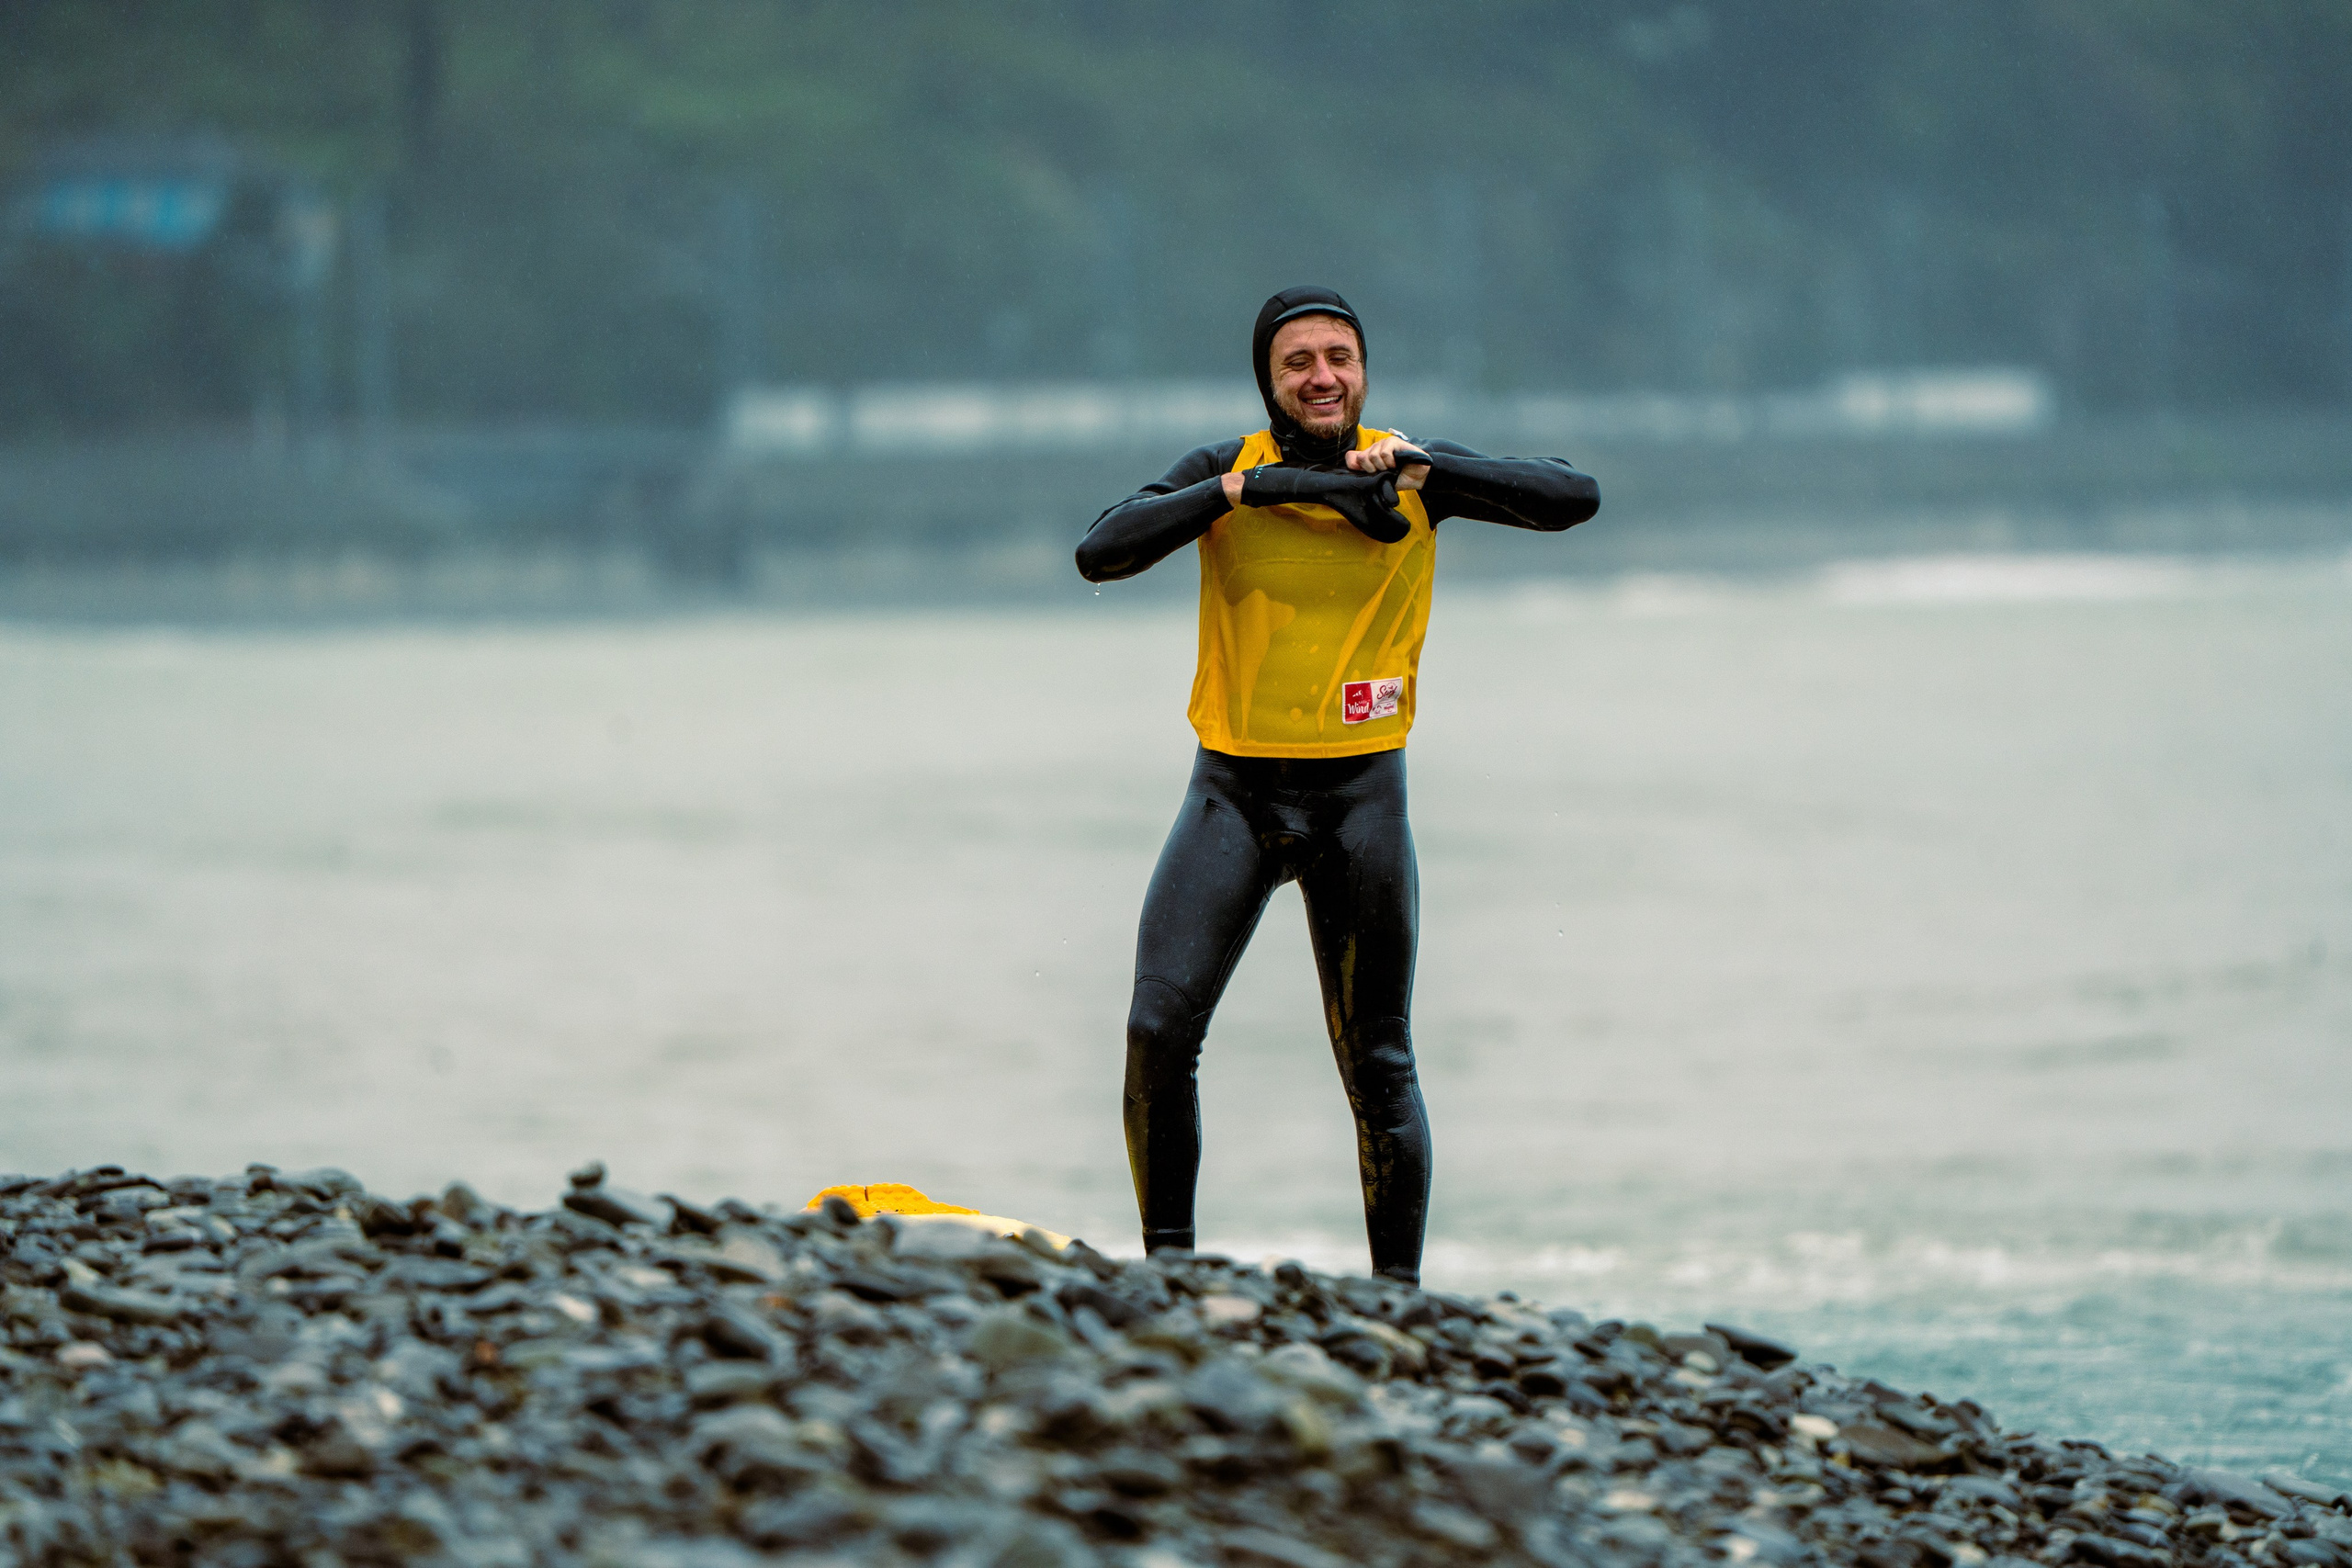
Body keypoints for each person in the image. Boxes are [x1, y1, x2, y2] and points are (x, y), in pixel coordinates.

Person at [1075, 285, 1600, 1284]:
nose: (1323, 377)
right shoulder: (1224, 469)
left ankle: (1396, 1298)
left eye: (1340, 358)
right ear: (1269, 382)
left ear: (1363, 370)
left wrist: (1426, 469)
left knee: (1378, 1063)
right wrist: (1243, 495)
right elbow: (1100, 550)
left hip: (1362, 802)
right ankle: (1170, 1275)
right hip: (1232, 796)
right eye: (1298, 363)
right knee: (1156, 1029)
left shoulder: (1409, 473)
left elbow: (1573, 497)